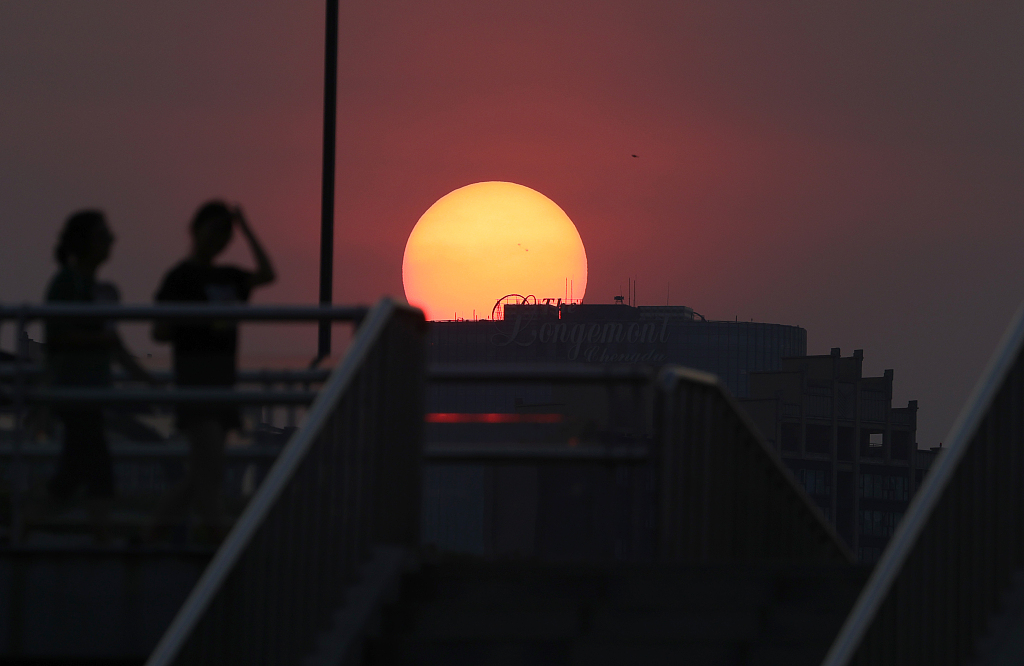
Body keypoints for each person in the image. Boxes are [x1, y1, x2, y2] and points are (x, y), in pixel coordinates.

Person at [150, 200, 275, 542]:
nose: (220, 240)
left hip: (223, 384)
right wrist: (200, 322)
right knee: (211, 468)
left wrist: (246, 227)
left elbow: (267, 273)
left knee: (203, 471)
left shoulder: (228, 277)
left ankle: (155, 533)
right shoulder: (180, 278)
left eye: (226, 235)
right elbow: (158, 331)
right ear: (196, 229)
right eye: (215, 231)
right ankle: (220, 536)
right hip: (195, 381)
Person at [44, 210, 152, 542]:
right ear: (86, 242)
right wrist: (98, 340)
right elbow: (57, 334)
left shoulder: (96, 288)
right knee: (95, 467)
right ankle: (97, 536)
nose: (112, 241)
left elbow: (116, 346)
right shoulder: (66, 282)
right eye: (104, 236)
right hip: (72, 389)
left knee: (78, 468)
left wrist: (151, 382)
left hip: (91, 391)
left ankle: (35, 522)